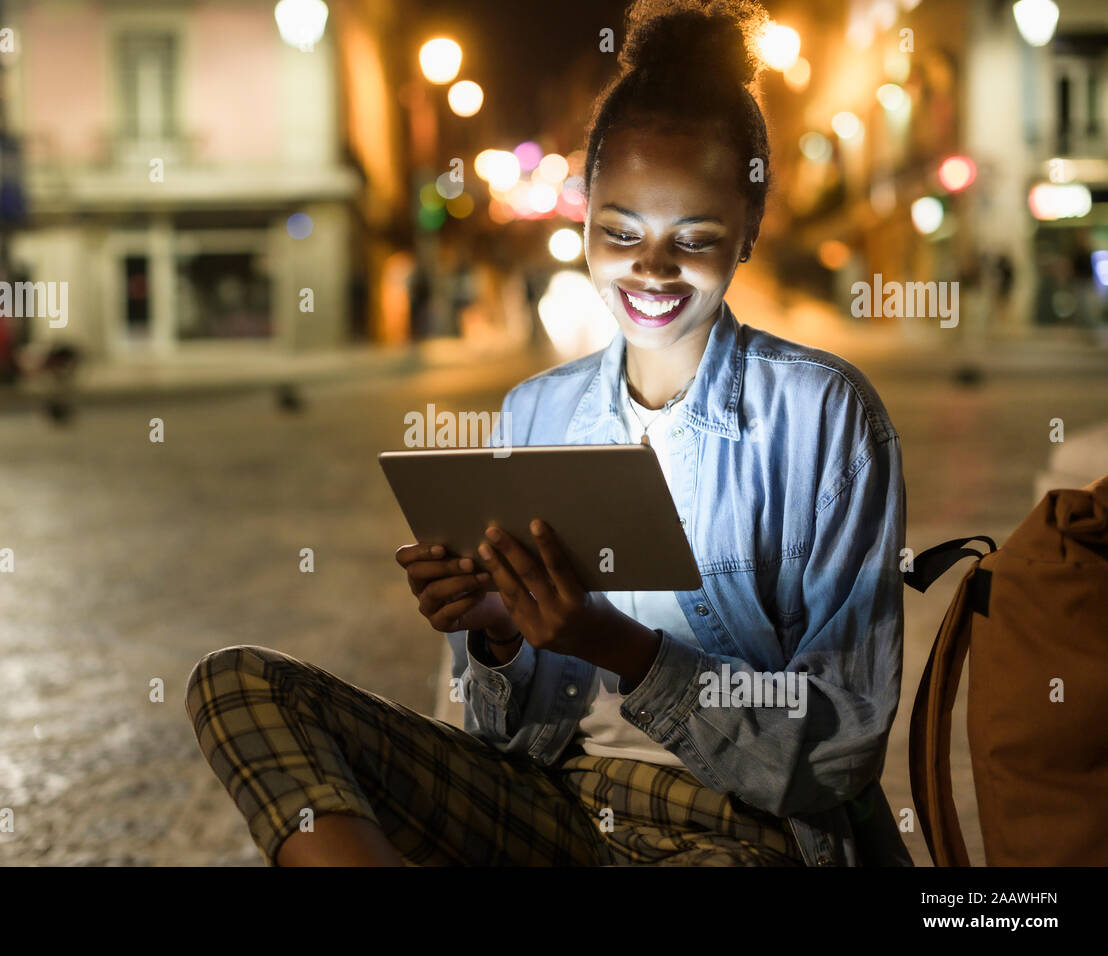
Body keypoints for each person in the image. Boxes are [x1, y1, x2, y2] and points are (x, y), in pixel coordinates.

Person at [185, 0, 912, 867]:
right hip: (549, 806)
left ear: (750, 229)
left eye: (696, 237)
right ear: (583, 218)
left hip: (737, 832)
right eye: (620, 232)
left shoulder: (826, 417)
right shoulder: (538, 411)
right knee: (239, 685)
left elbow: (843, 743)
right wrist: (495, 635)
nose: (651, 267)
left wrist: (624, 651)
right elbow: (495, 728)